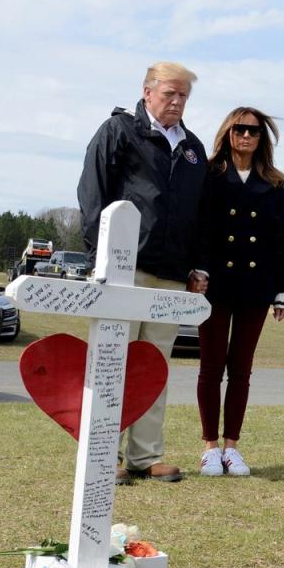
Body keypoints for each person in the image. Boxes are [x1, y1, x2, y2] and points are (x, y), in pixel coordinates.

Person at [78, 61, 210, 485]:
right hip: (123, 268)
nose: (176, 102)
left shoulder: (192, 148)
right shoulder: (119, 131)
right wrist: (100, 257)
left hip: (170, 274)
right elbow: (93, 192)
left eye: (183, 96)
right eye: (169, 93)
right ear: (147, 91)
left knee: (154, 366)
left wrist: (197, 265)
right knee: (114, 361)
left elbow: (199, 213)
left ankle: (145, 456)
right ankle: (104, 453)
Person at [196, 107, 284, 477]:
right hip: (215, 286)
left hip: (256, 286)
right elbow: (201, 228)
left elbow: (282, 238)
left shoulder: (273, 182)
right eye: (240, 129)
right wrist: (198, 269)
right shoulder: (210, 175)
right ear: (228, 132)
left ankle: (232, 447)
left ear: (261, 138)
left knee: (241, 370)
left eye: (254, 131)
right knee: (211, 367)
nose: (247, 136)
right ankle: (209, 447)